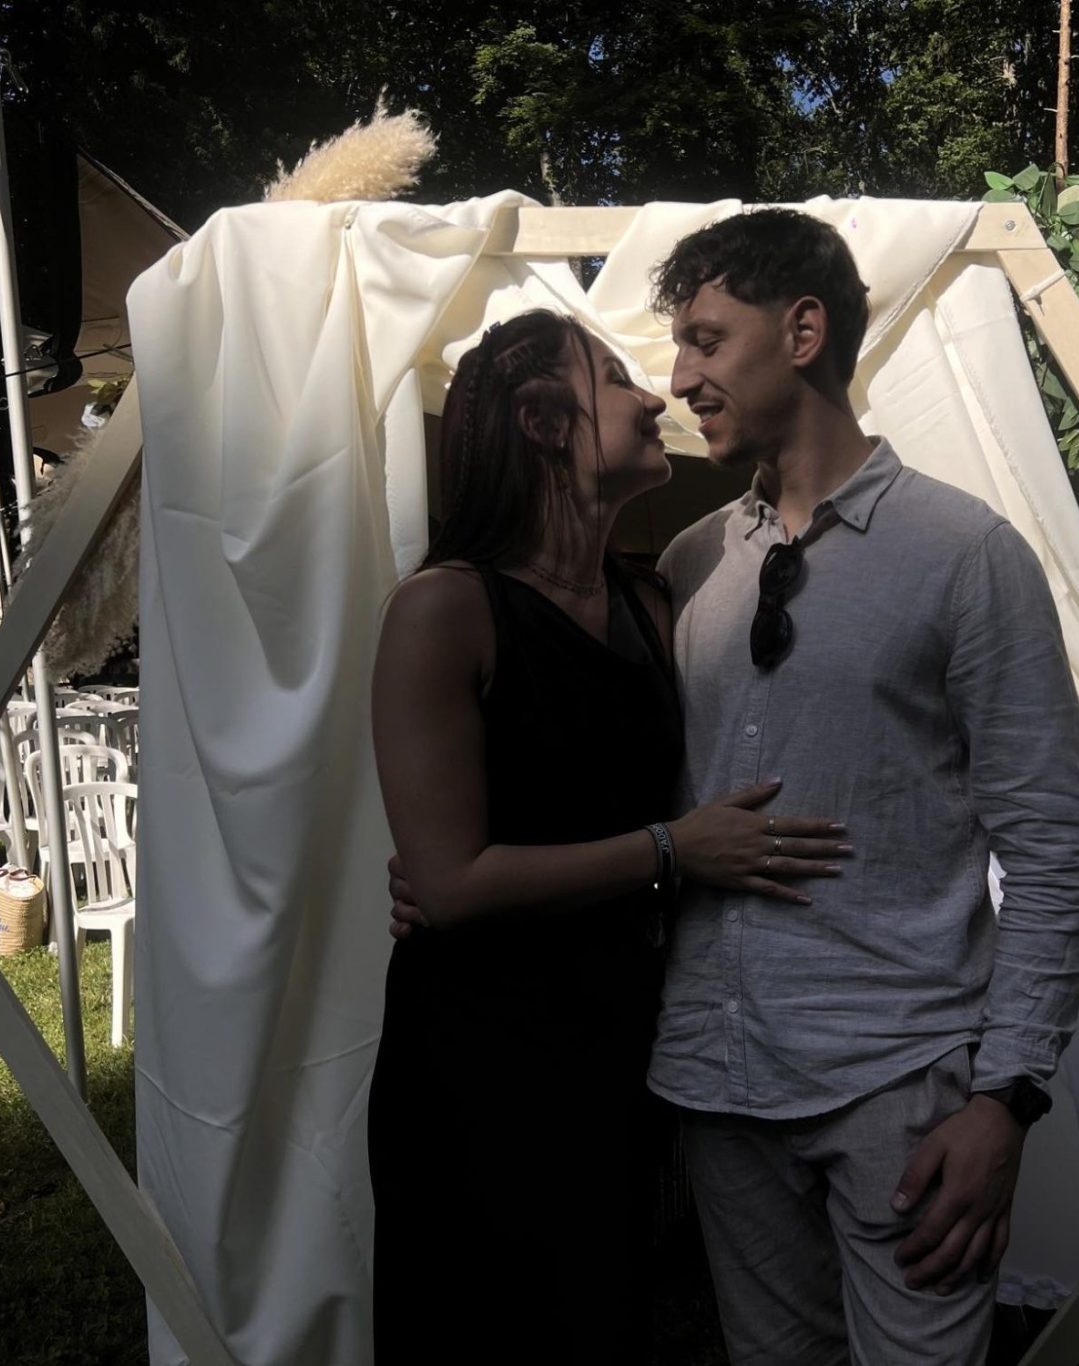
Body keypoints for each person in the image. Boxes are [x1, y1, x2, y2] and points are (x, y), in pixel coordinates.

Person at [640, 209, 1079, 1365]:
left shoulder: (964, 556)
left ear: (802, 331)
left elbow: (1055, 850)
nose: (680, 377)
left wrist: (1004, 1096)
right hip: (717, 1078)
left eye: (706, 339)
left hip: (900, 1092)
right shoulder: (691, 564)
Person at [367, 307, 847, 1365]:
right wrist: (671, 851)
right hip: (484, 1058)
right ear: (544, 422)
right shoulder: (444, 611)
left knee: (608, 1321)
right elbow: (449, 885)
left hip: (626, 1036)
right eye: (617, 377)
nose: (652, 395)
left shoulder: (650, 599)